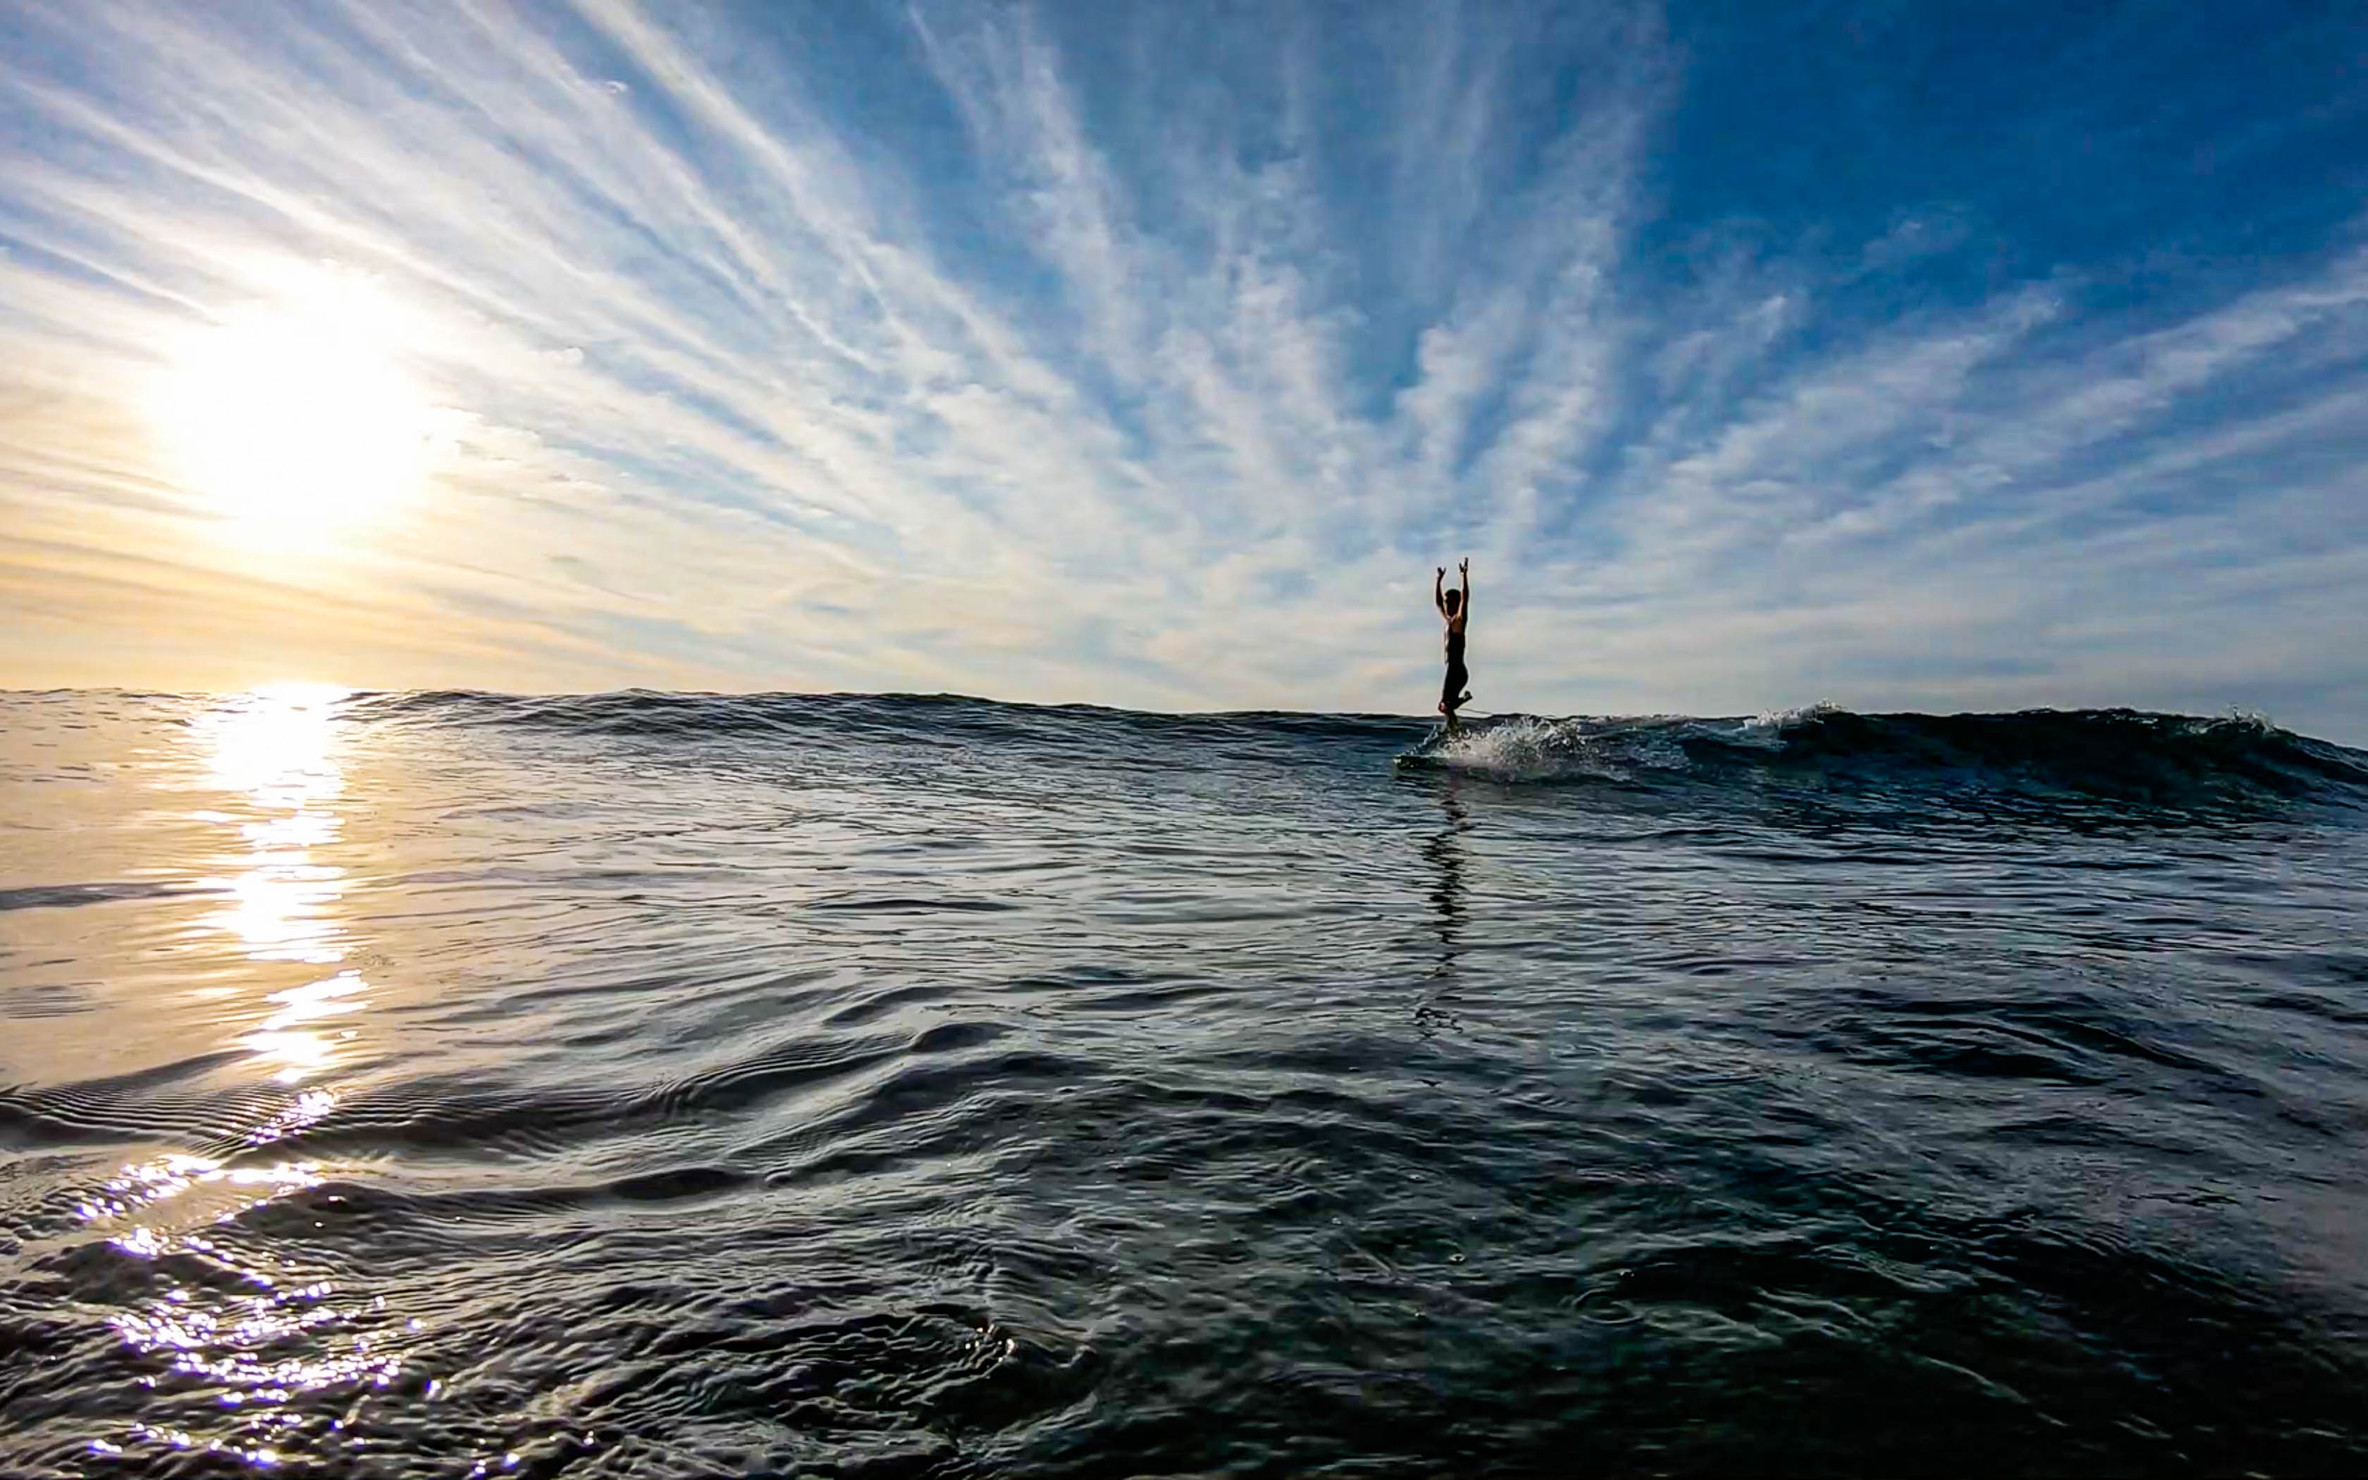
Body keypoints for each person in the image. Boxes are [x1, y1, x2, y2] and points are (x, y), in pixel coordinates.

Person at [1433, 556, 1470, 730]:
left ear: (1456, 603)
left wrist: (1464, 576)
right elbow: (1438, 602)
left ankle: (1456, 737)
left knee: (1445, 706)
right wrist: (1438, 580)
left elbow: (1465, 599)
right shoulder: (1448, 620)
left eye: (1450, 602)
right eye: (1447, 602)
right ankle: (1456, 735)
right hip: (1453, 669)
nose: (1446, 605)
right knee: (1446, 706)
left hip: (1456, 669)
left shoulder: (1459, 620)